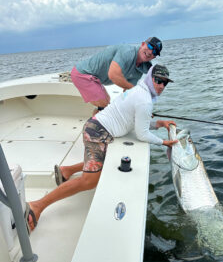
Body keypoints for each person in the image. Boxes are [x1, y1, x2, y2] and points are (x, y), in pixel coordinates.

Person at [25, 64, 177, 231]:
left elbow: (137, 122)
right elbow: (142, 134)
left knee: (100, 166)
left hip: (97, 128)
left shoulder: (137, 90)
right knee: (90, 180)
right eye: (158, 80)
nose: (161, 86)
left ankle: (66, 171)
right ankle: (37, 205)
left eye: (165, 83)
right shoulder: (145, 100)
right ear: (150, 78)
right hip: (97, 134)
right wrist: (164, 143)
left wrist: (159, 124)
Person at [71, 37, 163, 109]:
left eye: (155, 52)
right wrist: (137, 91)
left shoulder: (142, 68)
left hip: (96, 79)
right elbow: (113, 75)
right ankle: (93, 129)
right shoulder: (127, 52)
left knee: (107, 101)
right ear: (142, 44)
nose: (151, 52)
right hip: (82, 74)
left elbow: (128, 92)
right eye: (150, 46)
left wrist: (142, 108)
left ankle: (95, 126)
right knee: (104, 103)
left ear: (154, 57)